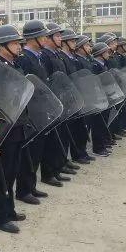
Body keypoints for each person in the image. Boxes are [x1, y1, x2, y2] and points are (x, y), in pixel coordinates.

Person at [0, 24, 27, 233]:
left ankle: (8, 209)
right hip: (3, 129)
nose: (19, 46)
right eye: (14, 43)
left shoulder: (13, 65)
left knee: (11, 172)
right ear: (2, 45)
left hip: (17, 125)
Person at [16, 20, 53, 198]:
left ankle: (31, 186)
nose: (46, 39)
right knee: (28, 153)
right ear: (33, 38)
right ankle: (23, 190)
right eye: (43, 36)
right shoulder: (24, 59)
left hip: (40, 111)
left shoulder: (38, 57)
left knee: (37, 151)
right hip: (30, 113)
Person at [38, 22, 75, 184]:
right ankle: (49, 173)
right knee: (52, 140)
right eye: (57, 36)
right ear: (49, 38)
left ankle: (58, 167)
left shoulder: (56, 54)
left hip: (62, 100)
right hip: (52, 103)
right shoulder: (45, 56)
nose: (61, 38)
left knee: (60, 137)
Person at [60, 30, 95, 165]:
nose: (74, 43)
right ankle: (76, 155)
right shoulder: (66, 58)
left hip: (81, 96)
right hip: (71, 99)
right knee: (73, 130)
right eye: (72, 41)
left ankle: (80, 153)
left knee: (81, 128)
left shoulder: (74, 58)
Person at [90, 42, 114, 156]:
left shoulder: (103, 64)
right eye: (106, 52)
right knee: (98, 124)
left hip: (105, 97)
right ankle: (98, 148)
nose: (108, 54)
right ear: (100, 53)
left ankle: (103, 144)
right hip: (99, 98)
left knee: (103, 122)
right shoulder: (94, 65)